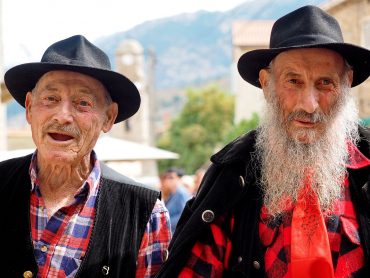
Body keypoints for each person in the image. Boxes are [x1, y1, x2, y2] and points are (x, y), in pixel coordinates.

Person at [155, 5, 370, 277]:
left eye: (325, 83)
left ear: (346, 83)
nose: (310, 104)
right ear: (267, 84)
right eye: (293, 81)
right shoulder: (232, 177)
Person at [0, 35, 171, 278]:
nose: (63, 116)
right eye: (51, 99)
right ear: (29, 107)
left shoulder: (145, 212)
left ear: (109, 118)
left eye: (82, 103)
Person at [159, 167, 191, 233]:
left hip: (177, 232)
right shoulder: (171, 193)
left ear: (178, 179)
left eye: (171, 177)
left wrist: (164, 223)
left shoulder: (181, 192)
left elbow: (184, 214)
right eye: (166, 177)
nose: (168, 180)